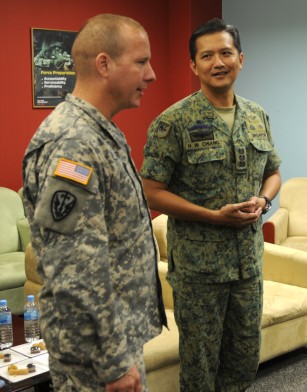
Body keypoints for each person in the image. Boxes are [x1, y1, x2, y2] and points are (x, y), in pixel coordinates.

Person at [22, 14, 165, 391]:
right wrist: (114, 363)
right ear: (104, 64)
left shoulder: (100, 131)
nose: (151, 75)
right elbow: (76, 270)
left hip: (112, 340)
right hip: (95, 357)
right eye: (141, 62)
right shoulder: (73, 143)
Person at [139, 18, 282, 391]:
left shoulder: (257, 115)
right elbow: (151, 191)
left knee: (244, 358)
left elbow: (274, 172)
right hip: (199, 271)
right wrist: (212, 217)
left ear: (241, 59)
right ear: (194, 65)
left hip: (247, 265)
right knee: (200, 366)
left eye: (225, 53)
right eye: (207, 56)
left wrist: (263, 200)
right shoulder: (173, 122)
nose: (218, 62)